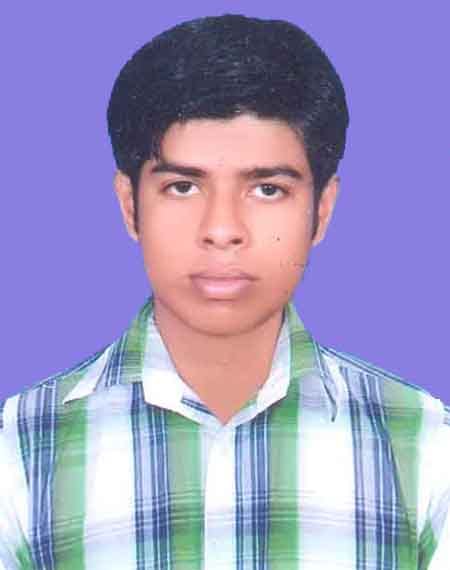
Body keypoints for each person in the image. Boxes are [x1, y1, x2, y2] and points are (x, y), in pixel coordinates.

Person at [0, 12, 448, 569]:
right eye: (182, 187)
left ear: (323, 209)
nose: (221, 229)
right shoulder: (20, 452)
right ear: (130, 205)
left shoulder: (425, 447)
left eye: (267, 189)